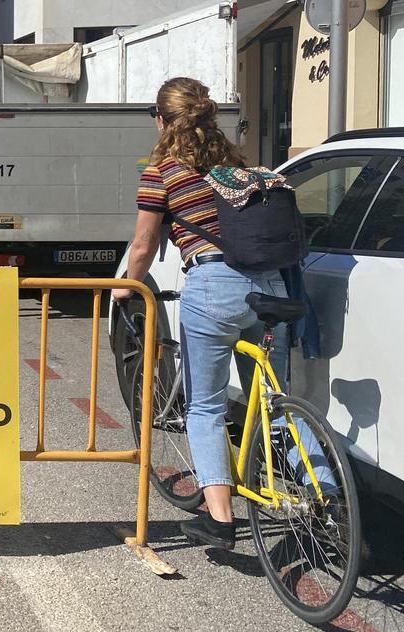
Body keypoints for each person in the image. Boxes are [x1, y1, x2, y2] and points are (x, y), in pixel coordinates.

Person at [112, 77, 292, 550]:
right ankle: (327, 496)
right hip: (271, 285)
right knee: (275, 400)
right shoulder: (240, 166)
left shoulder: (163, 173)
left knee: (205, 407)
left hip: (214, 288)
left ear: (162, 121)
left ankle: (220, 518)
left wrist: (127, 288)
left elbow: (145, 245)